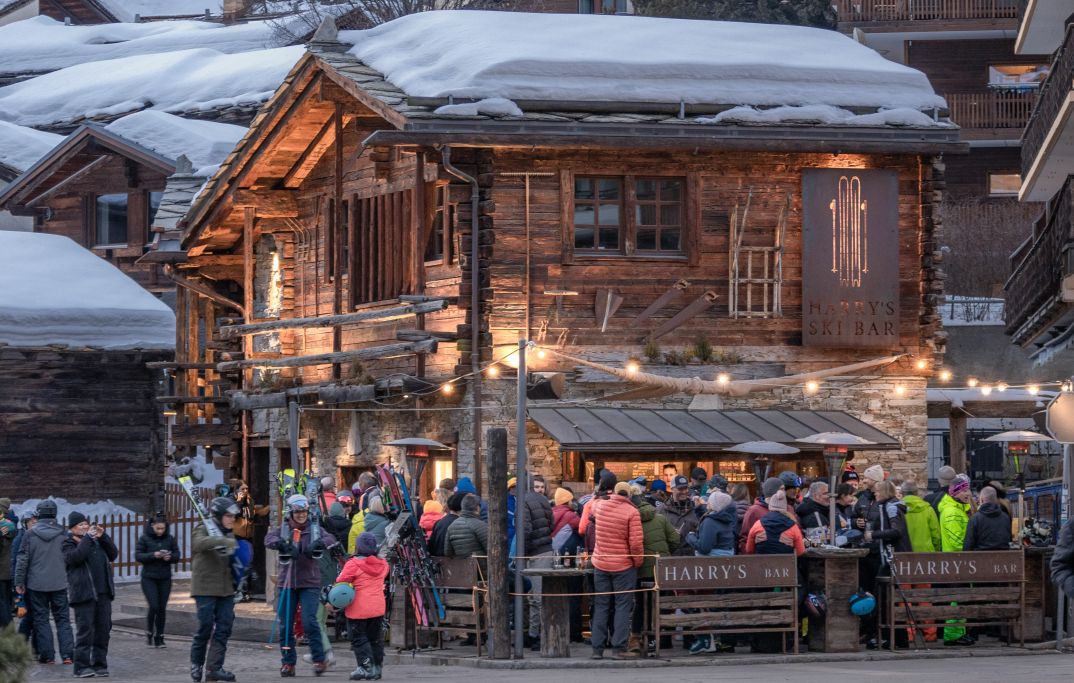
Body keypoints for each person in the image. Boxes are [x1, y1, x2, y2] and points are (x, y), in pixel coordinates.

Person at [265, 494, 337, 677]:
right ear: (291, 512)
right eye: (297, 512)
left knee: (309, 621)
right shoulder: (284, 529)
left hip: (309, 582)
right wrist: (281, 544)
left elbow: (331, 539)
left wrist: (319, 543)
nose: (301, 515)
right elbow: (268, 539)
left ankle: (319, 659)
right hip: (287, 582)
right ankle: (288, 662)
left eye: (303, 512)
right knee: (286, 625)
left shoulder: (314, 529)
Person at [581, 481, 643, 660]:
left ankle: (597, 649)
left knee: (601, 605)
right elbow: (636, 544)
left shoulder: (600, 506)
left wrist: (598, 495)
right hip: (623, 565)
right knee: (622, 606)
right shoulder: (632, 512)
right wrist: (636, 562)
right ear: (630, 495)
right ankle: (618, 648)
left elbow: (589, 507)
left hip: (601, 564)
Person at [14, 500, 74, 666]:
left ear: (38, 514)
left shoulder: (30, 534)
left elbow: (22, 560)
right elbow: (70, 558)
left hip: (36, 584)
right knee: (63, 620)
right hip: (59, 583)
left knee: (41, 620)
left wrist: (19, 581)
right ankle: (68, 655)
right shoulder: (63, 534)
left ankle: (48, 656)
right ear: (55, 514)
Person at [189, 497, 240, 682]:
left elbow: (233, 552)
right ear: (218, 515)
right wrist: (219, 540)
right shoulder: (203, 527)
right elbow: (198, 543)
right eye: (228, 515)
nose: (232, 519)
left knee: (224, 627)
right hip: (205, 587)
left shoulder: (229, 533)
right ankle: (196, 664)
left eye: (233, 516)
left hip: (226, 589)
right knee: (205, 627)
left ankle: (214, 668)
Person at [63, 512, 118, 678]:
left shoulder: (96, 541)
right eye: (80, 525)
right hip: (83, 594)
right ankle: (81, 666)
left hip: (103, 593)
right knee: (85, 631)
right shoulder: (68, 543)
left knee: (103, 630)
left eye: (86, 523)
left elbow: (113, 554)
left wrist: (103, 537)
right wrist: (87, 539)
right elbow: (76, 558)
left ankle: (100, 664)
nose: (85, 526)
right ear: (72, 528)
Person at [335, 533, 389, 681]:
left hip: (358, 609)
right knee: (375, 639)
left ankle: (365, 667)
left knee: (359, 638)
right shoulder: (383, 564)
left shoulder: (353, 564)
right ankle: (377, 668)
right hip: (377, 607)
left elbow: (341, 581)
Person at [632, 485, 679, 653]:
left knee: (641, 605)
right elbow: (675, 540)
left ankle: (639, 638)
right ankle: (662, 639)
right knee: (661, 604)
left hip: (641, 570)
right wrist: (665, 554)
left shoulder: (632, 520)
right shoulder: (660, 518)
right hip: (662, 569)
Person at [938, 474, 974, 646]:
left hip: (958, 561)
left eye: (968, 489)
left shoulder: (958, 509)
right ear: (955, 492)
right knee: (957, 598)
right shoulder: (952, 512)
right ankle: (952, 634)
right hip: (956, 561)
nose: (968, 493)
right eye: (965, 490)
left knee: (960, 598)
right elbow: (957, 540)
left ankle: (958, 632)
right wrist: (971, 548)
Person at [135, 513, 180, 648]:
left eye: (163, 528)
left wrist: (170, 557)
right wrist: (153, 555)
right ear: (152, 526)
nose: (160, 531)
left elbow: (177, 555)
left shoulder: (170, 539)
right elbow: (138, 555)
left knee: (162, 608)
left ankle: (160, 636)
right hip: (149, 578)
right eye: (158, 528)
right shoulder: (144, 538)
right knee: (154, 605)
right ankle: (149, 631)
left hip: (165, 577)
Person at [522, 475, 554, 650]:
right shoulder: (545, 502)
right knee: (536, 597)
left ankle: (540, 635)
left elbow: (525, 529)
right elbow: (551, 524)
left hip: (535, 553)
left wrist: (524, 551)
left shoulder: (525, 501)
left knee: (537, 598)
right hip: (544, 549)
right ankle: (534, 633)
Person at [746, 490, 804, 556]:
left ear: (770, 506)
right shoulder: (793, 526)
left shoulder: (758, 524)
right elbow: (800, 551)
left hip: (761, 564)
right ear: (785, 508)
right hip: (786, 565)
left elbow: (749, 550)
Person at [11, 511, 37, 647]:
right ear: (25, 523)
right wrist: (17, 583)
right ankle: (20, 643)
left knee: (33, 614)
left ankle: (32, 644)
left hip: (35, 581)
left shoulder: (36, 537)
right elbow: (15, 561)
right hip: (24, 582)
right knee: (28, 615)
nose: (34, 524)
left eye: (35, 521)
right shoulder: (20, 538)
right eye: (31, 521)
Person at [738, 477, 784, 554]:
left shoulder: (788, 509)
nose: (784, 492)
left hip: (785, 558)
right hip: (760, 557)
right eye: (782, 489)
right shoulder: (754, 511)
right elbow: (745, 538)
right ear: (774, 491)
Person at [659, 475, 700, 555]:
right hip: (670, 558)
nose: (684, 491)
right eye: (680, 489)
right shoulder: (661, 510)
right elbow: (657, 536)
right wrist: (670, 534)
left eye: (686, 488)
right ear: (672, 489)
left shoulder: (696, 509)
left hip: (691, 559)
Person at [445, 495, 489, 566]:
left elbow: (448, 553)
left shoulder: (451, 526)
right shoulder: (481, 525)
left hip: (462, 571)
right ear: (477, 508)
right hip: (481, 572)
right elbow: (491, 550)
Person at [963, 486, 1012, 551]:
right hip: (1003, 559)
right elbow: (1008, 539)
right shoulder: (1006, 517)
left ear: (982, 500)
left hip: (980, 559)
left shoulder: (975, 519)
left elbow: (968, 545)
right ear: (995, 500)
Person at [901, 480, 941, 553]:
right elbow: (936, 534)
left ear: (902, 493)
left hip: (904, 554)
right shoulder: (928, 509)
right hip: (926, 553)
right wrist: (936, 549)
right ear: (916, 492)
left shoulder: (897, 509)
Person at [692, 491, 735, 557]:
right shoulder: (726, 518)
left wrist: (690, 537)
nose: (708, 502)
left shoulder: (710, 521)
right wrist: (698, 508)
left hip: (712, 563)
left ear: (715, 504)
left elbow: (704, 548)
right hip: (727, 559)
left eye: (710, 500)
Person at [0, 499, 14, 628]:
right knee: (6, 601)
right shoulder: (12, 523)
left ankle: (7, 629)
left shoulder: (4, 524)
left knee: (2, 602)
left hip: (2, 571)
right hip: (9, 570)